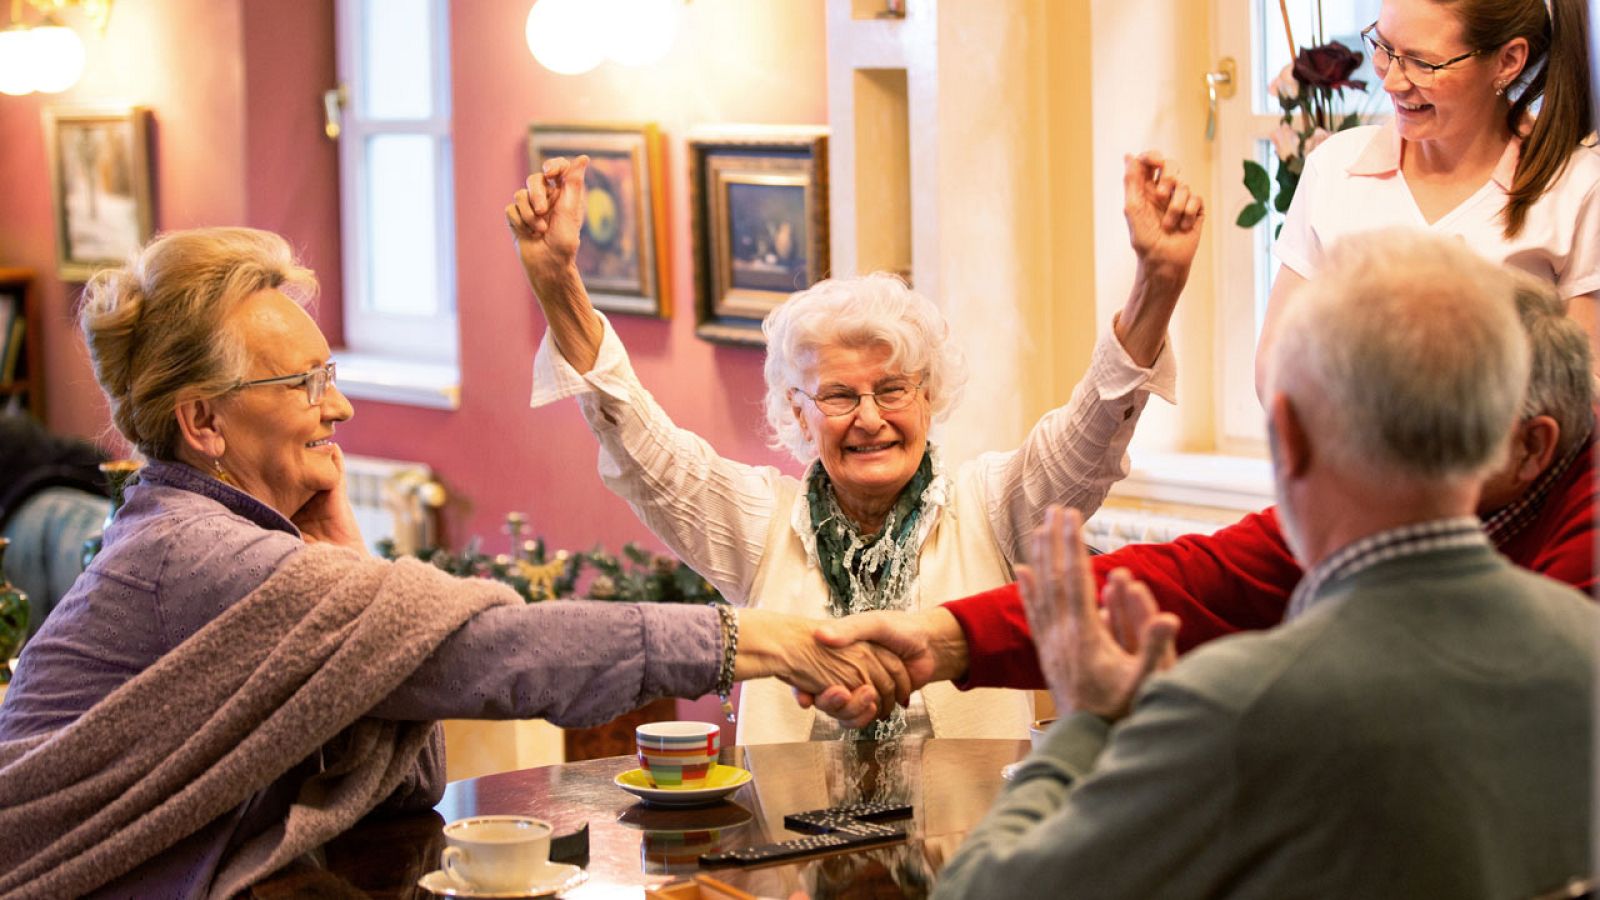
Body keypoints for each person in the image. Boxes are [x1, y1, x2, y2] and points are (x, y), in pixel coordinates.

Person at [0, 227, 911, 900]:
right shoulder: (194, 553)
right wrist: (763, 641)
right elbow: (496, 653)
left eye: (330, 375)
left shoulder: (233, 540)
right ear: (203, 422)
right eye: (304, 384)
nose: (339, 409)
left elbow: (410, 787)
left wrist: (352, 570)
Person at [933, 228, 1597, 899]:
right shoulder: (1583, 647)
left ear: (1289, 436)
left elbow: (981, 893)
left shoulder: (1241, 707)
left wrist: (1086, 727)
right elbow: (1211, 578)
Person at [509, 152, 1204, 743]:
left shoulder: (992, 508)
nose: (870, 419)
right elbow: (645, 451)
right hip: (789, 846)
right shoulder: (760, 526)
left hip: (970, 840)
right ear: (798, 411)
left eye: (893, 389)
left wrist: (1158, 284)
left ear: (928, 395)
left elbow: (1086, 437)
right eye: (839, 396)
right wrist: (557, 282)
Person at [803, 267, 1596, 701]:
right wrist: (946, 637)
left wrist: (1115, 717)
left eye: (1443, 423)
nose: (1386, 452)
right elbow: (1200, 580)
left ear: (1533, 445)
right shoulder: (1408, 493)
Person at [1255, 0, 1600, 397]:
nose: (1391, 82)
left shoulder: (1575, 186)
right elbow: (1273, 371)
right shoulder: (1334, 167)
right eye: (1384, 47)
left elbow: (1582, 395)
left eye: (1422, 63)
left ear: (1507, 61)